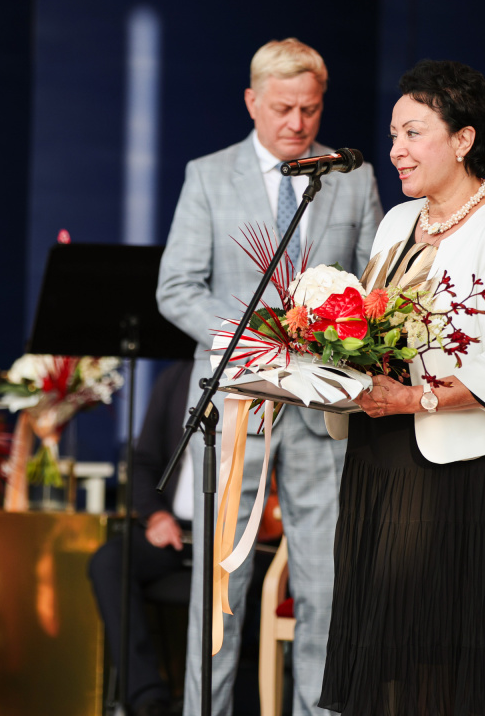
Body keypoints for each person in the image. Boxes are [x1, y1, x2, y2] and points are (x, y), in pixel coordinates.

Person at [318, 60, 485, 715]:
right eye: (393, 135)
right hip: (384, 458)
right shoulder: (396, 223)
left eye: (413, 133)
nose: (396, 150)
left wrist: (415, 398)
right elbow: (374, 327)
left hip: (467, 471)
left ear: (463, 139)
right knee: (389, 652)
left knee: (445, 653)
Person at [157, 37, 382, 716]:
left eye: (309, 109)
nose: (297, 123)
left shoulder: (353, 178)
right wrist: (253, 343)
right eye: (283, 108)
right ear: (252, 101)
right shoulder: (207, 175)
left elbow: (373, 292)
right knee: (220, 587)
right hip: (235, 403)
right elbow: (176, 288)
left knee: (326, 587)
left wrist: (338, 335)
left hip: (321, 408)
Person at [88, 359, 193, 716]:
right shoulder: (177, 376)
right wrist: (156, 514)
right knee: (109, 561)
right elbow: (143, 460)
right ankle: (148, 698)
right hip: (178, 533)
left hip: (238, 542)